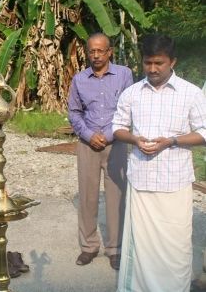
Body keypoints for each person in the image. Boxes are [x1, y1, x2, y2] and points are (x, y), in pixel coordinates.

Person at [113, 34, 206, 292]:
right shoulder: (132, 93)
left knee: (176, 247)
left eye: (159, 63)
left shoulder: (191, 93)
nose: (152, 69)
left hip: (175, 182)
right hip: (141, 181)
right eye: (147, 63)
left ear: (172, 61)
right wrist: (134, 138)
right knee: (141, 248)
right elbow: (117, 127)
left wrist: (172, 141)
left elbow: (205, 132)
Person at [68, 32, 133, 270]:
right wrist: (87, 135)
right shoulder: (79, 79)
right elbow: (74, 112)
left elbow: (127, 110)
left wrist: (106, 136)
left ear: (110, 52)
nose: (96, 55)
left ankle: (115, 249)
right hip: (88, 145)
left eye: (100, 50)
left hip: (116, 143)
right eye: (92, 51)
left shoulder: (124, 75)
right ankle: (89, 246)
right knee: (88, 197)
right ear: (87, 52)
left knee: (116, 196)